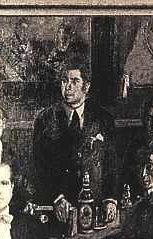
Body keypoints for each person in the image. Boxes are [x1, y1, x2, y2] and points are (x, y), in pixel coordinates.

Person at [33, 58, 118, 224]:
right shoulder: (45, 119)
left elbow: (111, 163)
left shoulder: (103, 118)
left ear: (86, 86)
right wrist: (57, 197)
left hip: (96, 205)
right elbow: (40, 166)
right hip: (60, 207)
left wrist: (111, 199)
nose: (68, 87)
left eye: (74, 81)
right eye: (64, 81)